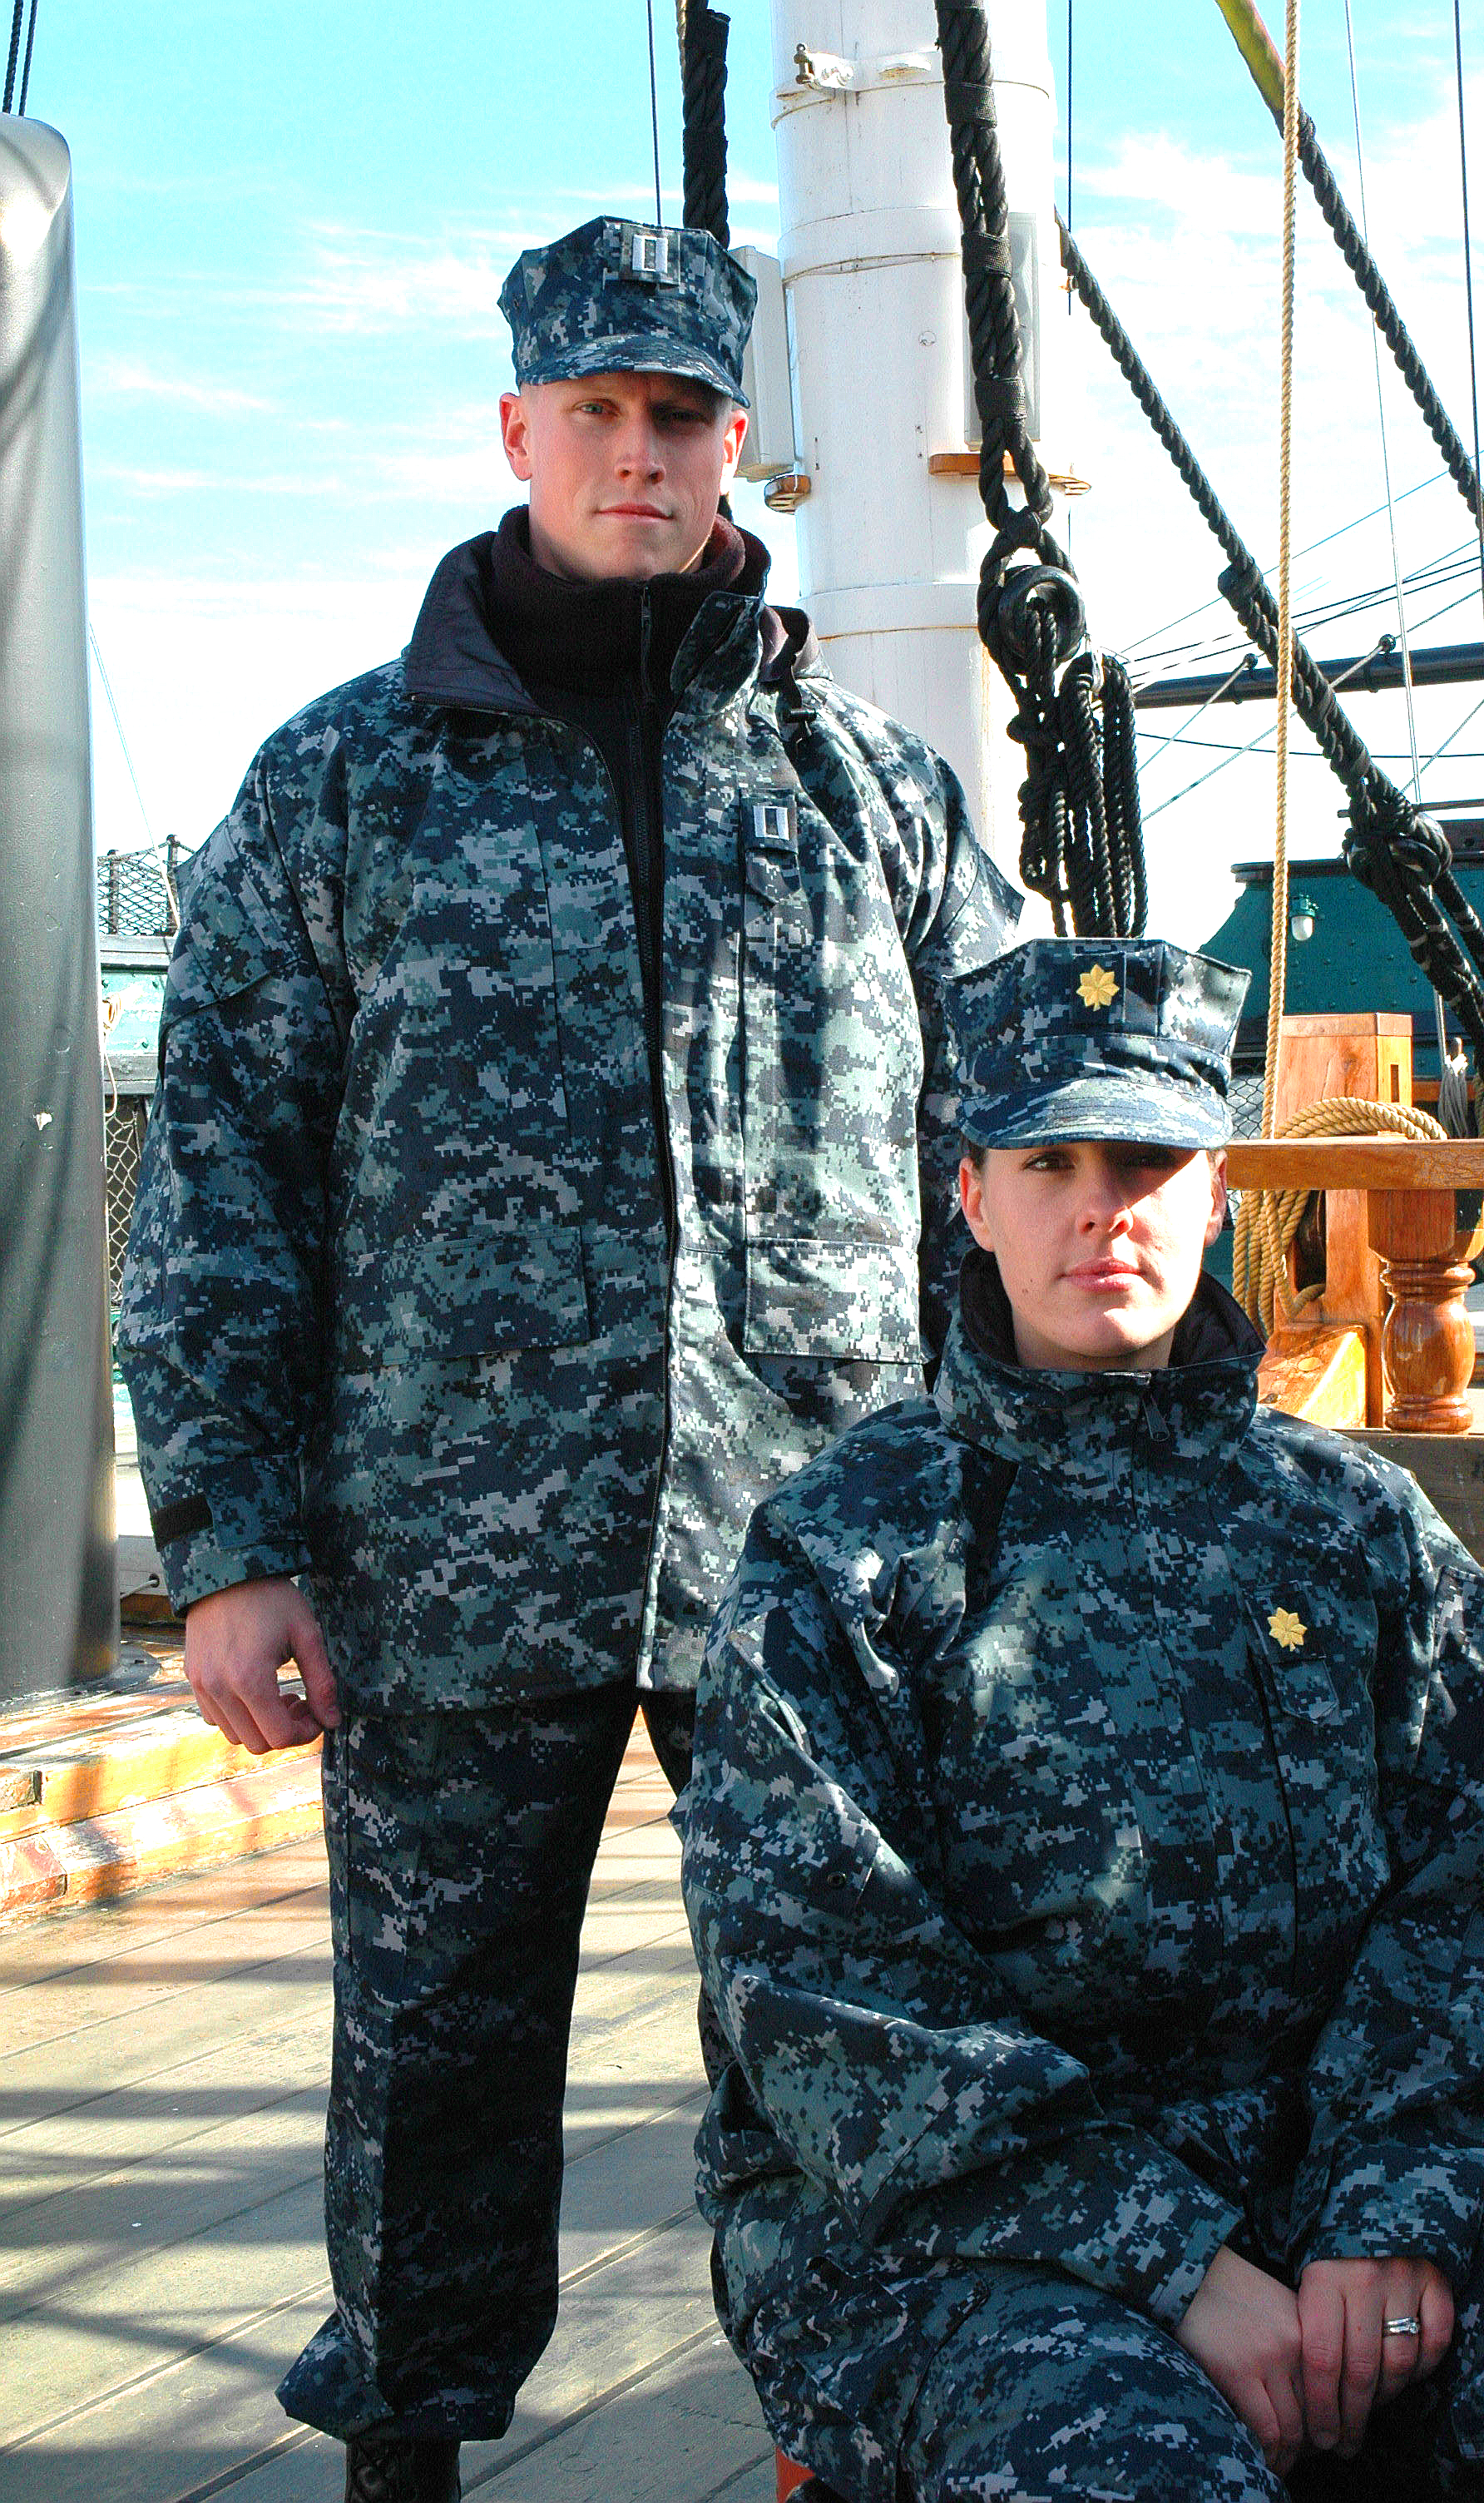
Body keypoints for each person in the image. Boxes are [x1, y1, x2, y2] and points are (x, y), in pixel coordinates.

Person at [117, 214, 1018, 2503]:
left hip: (817, 1553)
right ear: (518, 430)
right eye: (596, 415)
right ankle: (402, 2453)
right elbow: (221, 1173)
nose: (641, 454)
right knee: (429, 2054)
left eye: (683, 416)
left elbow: (1006, 1153)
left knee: (838, 2033)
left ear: (739, 450)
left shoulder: (868, 794)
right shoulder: (342, 787)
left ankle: (860, 2437)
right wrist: (230, 1546)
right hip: (443, 1554)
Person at [679, 935, 1484, 2503]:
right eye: (1049, 1159)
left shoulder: (1352, 1528)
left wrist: (1384, 2208)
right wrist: (1166, 2260)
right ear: (972, 1196)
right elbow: (825, 1988)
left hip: (1331, 2179)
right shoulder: (847, 1557)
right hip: (967, 2244)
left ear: (1218, 1189)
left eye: (1145, 1158)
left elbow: (1465, 1896)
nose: (1099, 1206)